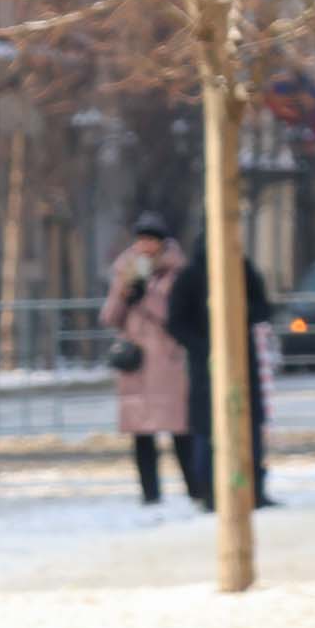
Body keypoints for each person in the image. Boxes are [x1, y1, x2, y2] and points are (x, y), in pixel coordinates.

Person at [163, 234, 278, 509]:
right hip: (206, 363)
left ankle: (253, 488)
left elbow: (262, 306)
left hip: (241, 359)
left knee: (246, 424)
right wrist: (202, 346)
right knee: (208, 429)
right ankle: (211, 490)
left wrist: (245, 316)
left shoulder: (242, 269)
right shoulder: (191, 277)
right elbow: (177, 322)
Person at [102, 212, 200, 507]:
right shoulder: (124, 271)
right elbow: (110, 317)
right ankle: (149, 493)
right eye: (141, 240)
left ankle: (194, 489)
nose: (145, 247)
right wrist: (124, 295)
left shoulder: (177, 272)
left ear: (161, 243)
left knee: (179, 429)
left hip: (167, 361)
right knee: (141, 434)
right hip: (137, 363)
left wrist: (148, 296)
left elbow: (175, 315)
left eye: (151, 241)